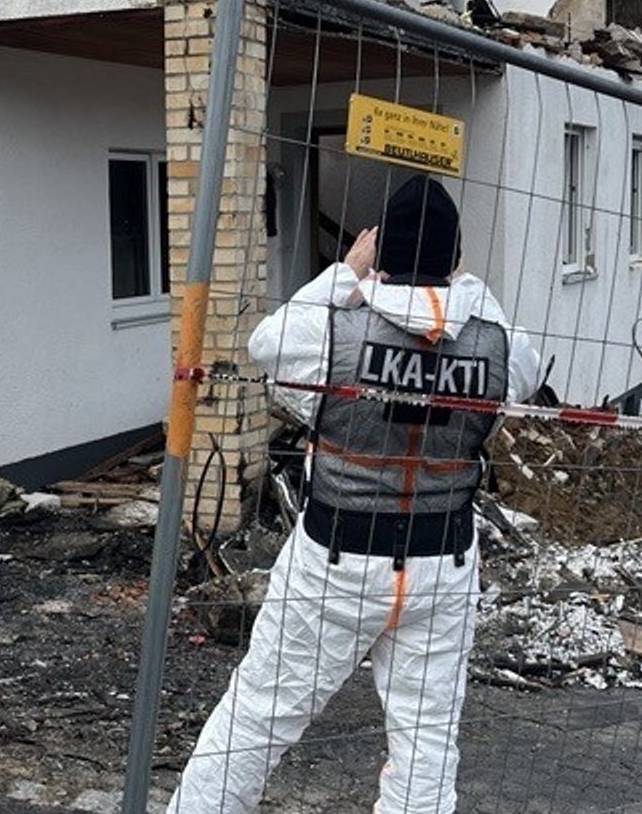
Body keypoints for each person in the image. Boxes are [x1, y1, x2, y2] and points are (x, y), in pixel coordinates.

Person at [169, 174, 538, 814]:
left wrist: (346, 272)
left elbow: (266, 344)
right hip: (441, 562)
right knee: (426, 745)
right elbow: (518, 363)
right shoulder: (499, 344)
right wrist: (460, 286)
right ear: (454, 259)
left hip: (337, 559)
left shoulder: (335, 333)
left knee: (257, 718)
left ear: (381, 255)